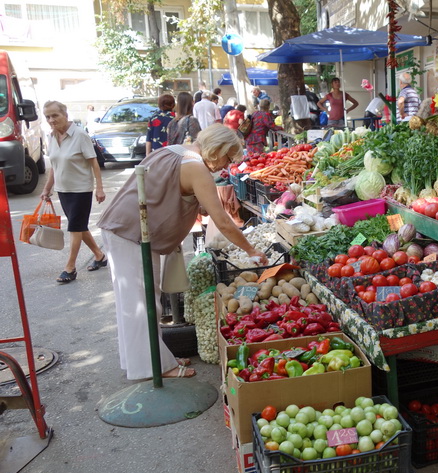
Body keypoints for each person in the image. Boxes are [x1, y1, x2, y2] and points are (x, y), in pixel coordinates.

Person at [97, 124, 268, 380]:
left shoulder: (175, 151)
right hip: (131, 232)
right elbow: (222, 221)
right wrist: (252, 250)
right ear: (218, 149)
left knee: (139, 301)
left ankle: (150, 359)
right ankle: (152, 368)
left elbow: (165, 192)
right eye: (227, 158)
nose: (226, 166)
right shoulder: (197, 168)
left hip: (126, 228)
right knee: (140, 304)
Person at [39, 100, 107, 284]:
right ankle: (100, 256)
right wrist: (47, 188)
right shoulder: (52, 137)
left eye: (55, 115)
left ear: (65, 115)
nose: (51, 120)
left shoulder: (80, 134)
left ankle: (70, 267)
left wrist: (99, 188)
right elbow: (54, 165)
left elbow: (94, 162)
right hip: (63, 190)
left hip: (81, 189)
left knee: (75, 227)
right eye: (48, 117)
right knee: (79, 227)